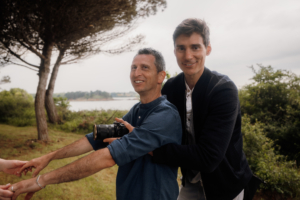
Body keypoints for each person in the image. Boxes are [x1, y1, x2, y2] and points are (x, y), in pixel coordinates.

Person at [9, 48, 182, 200]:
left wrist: (41, 181)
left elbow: (107, 157)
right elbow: (95, 138)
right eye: (133, 67)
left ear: (161, 76)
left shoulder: (165, 114)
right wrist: (47, 157)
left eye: (145, 67)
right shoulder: (136, 110)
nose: (136, 73)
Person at [148, 19, 254, 200]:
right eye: (181, 48)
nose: (188, 56)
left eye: (195, 47)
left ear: (208, 49)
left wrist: (152, 150)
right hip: (191, 181)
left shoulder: (223, 90)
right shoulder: (171, 88)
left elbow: (209, 157)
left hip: (226, 186)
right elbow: (157, 128)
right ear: (175, 51)